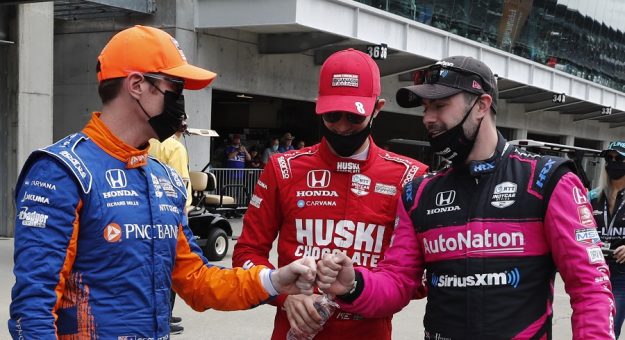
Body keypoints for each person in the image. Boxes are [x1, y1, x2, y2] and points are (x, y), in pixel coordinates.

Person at [8, 25, 317, 339]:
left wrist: (274, 280)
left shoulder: (163, 178)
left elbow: (197, 281)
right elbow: (33, 310)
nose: (181, 103)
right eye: (175, 88)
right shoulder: (62, 171)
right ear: (137, 85)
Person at [316, 56, 615, 339]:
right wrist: (353, 283)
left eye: (440, 106)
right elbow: (397, 281)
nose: (428, 119)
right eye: (425, 108)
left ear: (482, 104)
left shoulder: (547, 180)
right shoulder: (419, 193)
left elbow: (591, 289)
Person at [232, 48, 428, 340]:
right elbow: (246, 254)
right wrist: (284, 295)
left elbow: (416, 280)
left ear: (377, 108)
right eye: (332, 115)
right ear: (318, 107)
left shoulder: (410, 177)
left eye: (354, 116)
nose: (342, 127)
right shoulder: (283, 168)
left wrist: (357, 288)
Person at [148, 121, 191, 335]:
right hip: (174, 211)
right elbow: (179, 183)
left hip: (153, 208)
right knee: (171, 266)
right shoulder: (176, 147)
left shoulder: (152, 142)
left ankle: (163, 313)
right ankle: (165, 317)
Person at [591, 140, 625, 338]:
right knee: (593, 325)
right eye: (609, 158)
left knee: (611, 327)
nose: (613, 162)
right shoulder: (592, 196)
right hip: (595, 271)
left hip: (621, 275)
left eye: (619, 158)